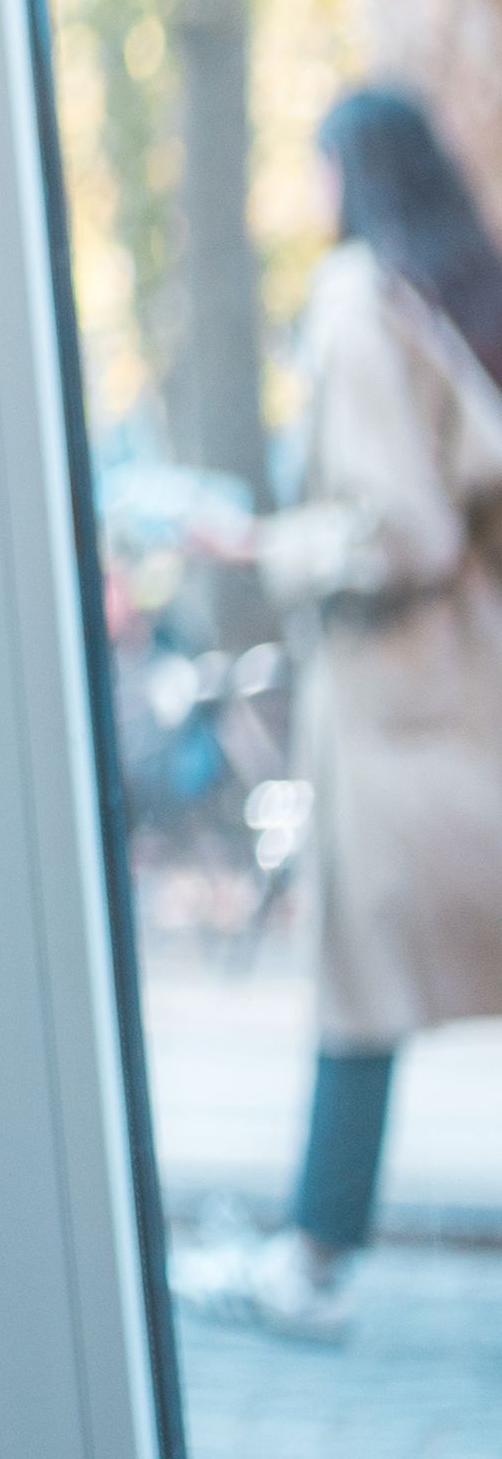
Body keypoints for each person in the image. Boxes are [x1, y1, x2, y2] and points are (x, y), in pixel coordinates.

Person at [200, 84, 502, 1338]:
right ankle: (312, 1251)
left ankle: (311, 1261)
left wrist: (261, 545)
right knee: (368, 990)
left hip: (396, 717)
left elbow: (404, 530)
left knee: (358, 988)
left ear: (351, 175)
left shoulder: (352, 300)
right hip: (462, 703)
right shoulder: (447, 294)